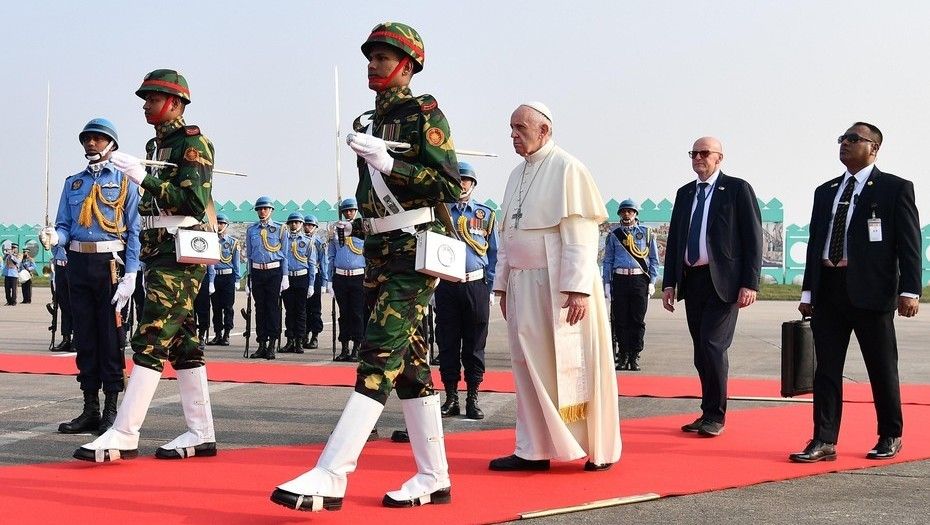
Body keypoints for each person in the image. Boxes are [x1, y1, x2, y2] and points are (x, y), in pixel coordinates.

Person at [271, 21, 460, 512]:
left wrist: (391, 163)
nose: (373, 65)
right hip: (379, 250)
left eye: (383, 57)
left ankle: (332, 473)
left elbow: (447, 187)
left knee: (377, 355)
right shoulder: (369, 119)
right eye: (371, 57)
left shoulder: (425, 114)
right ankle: (433, 477)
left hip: (414, 250)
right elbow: (371, 195)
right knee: (411, 368)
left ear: (408, 64)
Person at [74, 69, 217, 462]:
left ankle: (124, 432)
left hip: (180, 251)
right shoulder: (156, 147)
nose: (145, 105)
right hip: (160, 249)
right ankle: (200, 432)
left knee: (150, 336)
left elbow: (191, 202)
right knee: (185, 345)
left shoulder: (193, 144)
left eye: (153, 99)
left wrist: (143, 179)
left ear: (175, 103)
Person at [488, 102, 620, 473]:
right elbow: (508, 233)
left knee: (577, 366)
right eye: (511, 127)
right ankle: (532, 449)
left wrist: (577, 289)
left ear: (544, 130)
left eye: (520, 128)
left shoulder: (568, 168)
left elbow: (580, 234)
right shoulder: (516, 174)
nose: (513, 134)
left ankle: (599, 449)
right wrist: (501, 286)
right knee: (527, 367)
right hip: (522, 285)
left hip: (559, 288)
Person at [789, 122, 921, 463]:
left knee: (881, 367)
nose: (844, 144)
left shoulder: (895, 189)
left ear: (873, 148)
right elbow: (816, 243)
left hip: (872, 293)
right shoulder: (826, 190)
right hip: (829, 290)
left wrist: (909, 290)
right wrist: (808, 294)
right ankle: (824, 439)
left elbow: (909, 246)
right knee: (826, 369)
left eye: (853, 139)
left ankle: (890, 434)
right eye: (842, 139)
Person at [39, 118, 142, 435]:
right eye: (87, 139)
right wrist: (55, 237)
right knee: (84, 337)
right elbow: (65, 224)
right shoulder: (73, 183)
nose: (91, 143)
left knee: (110, 339)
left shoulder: (126, 183)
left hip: (110, 265)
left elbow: (135, 232)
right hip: (78, 263)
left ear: (112, 144)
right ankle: (90, 409)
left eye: (98, 139)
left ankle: (111, 410)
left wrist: (132, 274)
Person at [662, 136, 762, 438]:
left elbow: (753, 238)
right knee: (700, 351)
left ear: (719, 158)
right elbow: (677, 239)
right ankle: (707, 411)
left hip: (725, 282)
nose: (698, 158)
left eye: (704, 153)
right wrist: (669, 283)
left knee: (713, 345)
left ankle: (717, 415)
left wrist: (750, 282)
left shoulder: (736, 189)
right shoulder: (684, 194)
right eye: (693, 153)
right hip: (693, 281)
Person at [434, 161, 497, 420]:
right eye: (457, 179)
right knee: (447, 343)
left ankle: (473, 397)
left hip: (475, 285)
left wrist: (491, 288)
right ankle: (451, 398)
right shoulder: (439, 213)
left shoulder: (485, 215)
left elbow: (495, 254)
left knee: (474, 345)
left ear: (473, 184)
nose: (461, 184)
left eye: (466, 180)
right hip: (447, 285)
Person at [602, 199, 659, 371]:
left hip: (639, 280)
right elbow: (608, 260)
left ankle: (634, 356)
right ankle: (623, 354)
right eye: (623, 211)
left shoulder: (647, 233)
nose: (627, 214)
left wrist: (652, 282)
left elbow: (654, 261)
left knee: (637, 320)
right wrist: (606, 282)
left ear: (635, 214)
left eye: (630, 211)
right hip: (620, 280)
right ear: (619, 214)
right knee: (620, 320)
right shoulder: (614, 235)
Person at [245, 196, 289, 359]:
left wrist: (285, 276)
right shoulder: (251, 230)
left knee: (272, 308)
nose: (262, 211)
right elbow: (249, 255)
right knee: (259, 308)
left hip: (273, 272)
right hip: (257, 272)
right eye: (259, 209)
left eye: (265, 208)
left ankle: (272, 343)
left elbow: (284, 255)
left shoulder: (281, 228)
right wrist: (249, 278)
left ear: (271, 210)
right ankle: (261, 343)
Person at [327, 198, 366, 362]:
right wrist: (329, 279)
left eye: (351, 210)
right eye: (346, 211)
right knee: (344, 314)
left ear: (356, 211)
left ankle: (357, 347)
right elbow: (331, 255)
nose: (348, 213)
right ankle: (344, 347)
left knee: (357, 313)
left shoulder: (363, 228)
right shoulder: (336, 230)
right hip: (340, 276)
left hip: (358, 276)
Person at [280, 212, 317, 353]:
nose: (294, 224)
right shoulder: (283, 240)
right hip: (287, 277)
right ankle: (290, 339)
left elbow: (312, 264)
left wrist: (312, 284)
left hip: (302, 277)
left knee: (301, 311)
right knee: (289, 311)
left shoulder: (308, 242)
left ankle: (299, 341)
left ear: (301, 224)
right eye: (292, 222)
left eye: (297, 222)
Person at [205, 214, 240, 346]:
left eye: (222, 223)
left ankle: (226, 334)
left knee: (228, 307)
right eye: (217, 223)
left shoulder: (233, 242)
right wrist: (210, 281)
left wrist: (237, 279)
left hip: (228, 277)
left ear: (226, 225)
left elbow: (236, 262)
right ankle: (218, 334)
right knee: (216, 307)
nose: (219, 225)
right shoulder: (210, 241)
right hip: (215, 277)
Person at [302, 214, 327, 349]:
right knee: (302, 308)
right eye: (306, 225)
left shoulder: (319, 243)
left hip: (315, 276)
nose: (307, 227)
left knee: (315, 308)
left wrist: (324, 282)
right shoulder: (298, 240)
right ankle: (304, 334)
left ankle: (315, 336)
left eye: (310, 225)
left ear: (315, 227)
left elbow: (324, 262)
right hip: (302, 276)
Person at [49, 244, 74, 352]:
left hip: (73, 266)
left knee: (77, 305)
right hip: (59, 267)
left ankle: (77, 339)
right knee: (64, 305)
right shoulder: (57, 229)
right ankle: (66, 338)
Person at [193, 265, 215, 351]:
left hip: (202, 276)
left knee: (203, 308)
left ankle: (201, 335)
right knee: (190, 309)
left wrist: (211, 281)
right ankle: (192, 335)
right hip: (188, 276)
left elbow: (210, 264)